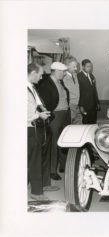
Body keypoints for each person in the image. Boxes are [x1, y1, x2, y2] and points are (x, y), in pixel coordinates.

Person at [27, 63, 59, 200]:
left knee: (44, 156)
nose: (41, 78)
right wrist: (38, 115)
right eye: (40, 75)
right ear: (33, 73)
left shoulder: (32, 87)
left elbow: (38, 103)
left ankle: (45, 183)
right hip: (31, 127)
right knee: (35, 160)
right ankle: (36, 192)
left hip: (40, 126)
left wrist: (43, 110)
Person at [37, 62, 70, 180]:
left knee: (63, 142)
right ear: (55, 71)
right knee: (54, 143)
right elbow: (43, 104)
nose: (64, 74)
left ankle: (62, 165)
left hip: (64, 114)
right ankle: (52, 170)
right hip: (55, 115)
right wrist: (49, 116)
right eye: (62, 72)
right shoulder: (46, 84)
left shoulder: (59, 82)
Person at [77, 59, 100, 124]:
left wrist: (97, 102)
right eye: (87, 66)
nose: (89, 68)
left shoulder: (92, 76)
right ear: (83, 67)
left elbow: (94, 90)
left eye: (90, 66)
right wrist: (81, 106)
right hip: (85, 105)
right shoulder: (79, 76)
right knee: (86, 123)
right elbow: (79, 92)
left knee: (93, 122)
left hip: (93, 105)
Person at [63, 56, 82, 124]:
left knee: (79, 126)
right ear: (66, 66)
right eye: (74, 67)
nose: (76, 68)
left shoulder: (75, 75)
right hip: (70, 106)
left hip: (77, 105)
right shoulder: (63, 78)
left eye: (76, 66)